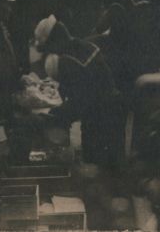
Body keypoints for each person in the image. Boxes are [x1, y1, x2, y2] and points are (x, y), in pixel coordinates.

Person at [33, 15, 124, 168]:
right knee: (113, 161)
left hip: (98, 117)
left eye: (48, 47)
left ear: (55, 41)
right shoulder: (84, 46)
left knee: (95, 163)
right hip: (113, 109)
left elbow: (80, 102)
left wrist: (55, 114)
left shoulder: (68, 60)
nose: (50, 52)